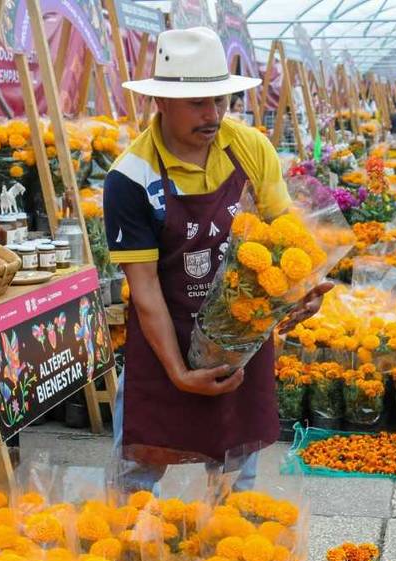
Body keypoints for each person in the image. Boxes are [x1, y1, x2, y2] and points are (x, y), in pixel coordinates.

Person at [104, 27, 330, 493]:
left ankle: (233, 550)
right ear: (161, 102)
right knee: (137, 470)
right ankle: (126, 551)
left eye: (220, 101)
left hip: (241, 334)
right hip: (164, 330)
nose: (213, 115)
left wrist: (301, 288)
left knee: (236, 471)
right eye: (197, 103)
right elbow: (144, 289)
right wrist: (180, 372)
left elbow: (284, 236)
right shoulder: (131, 176)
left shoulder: (249, 148)